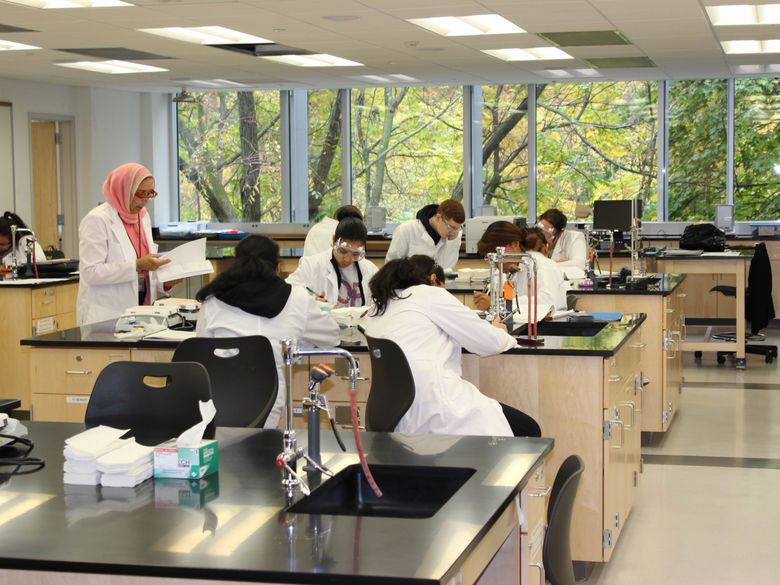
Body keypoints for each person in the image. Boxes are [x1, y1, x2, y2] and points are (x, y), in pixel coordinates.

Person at [364, 257, 541, 437]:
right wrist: (501, 331)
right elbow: (489, 342)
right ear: (433, 279)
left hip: (392, 412)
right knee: (528, 430)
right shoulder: (429, 294)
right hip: (435, 407)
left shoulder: (379, 306)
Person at [195, 234, 340, 429]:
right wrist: (297, 341)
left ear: (236, 264)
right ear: (278, 267)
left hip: (218, 399)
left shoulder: (212, 300)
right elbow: (331, 337)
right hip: (269, 401)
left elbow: (202, 348)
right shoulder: (297, 298)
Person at [76, 163, 179, 325]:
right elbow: (91, 272)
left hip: (142, 311)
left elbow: (146, 268)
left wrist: (165, 283)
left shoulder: (142, 217)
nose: (145, 201)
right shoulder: (97, 220)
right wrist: (136, 265)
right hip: (106, 315)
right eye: (140, 194)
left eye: (149, 194)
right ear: (123, 190)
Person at [473, 221, 568, 315]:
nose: (497, 265)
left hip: (548, 328)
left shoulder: (542, 265)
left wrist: (497, 304)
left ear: (515, 244)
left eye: (499, 256)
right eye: (492, 259)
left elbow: (547, 302)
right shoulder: (514, 270)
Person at [287, 217, 378, 307]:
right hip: (324, 321)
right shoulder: (311, 265)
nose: (347, 259)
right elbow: (288, 293)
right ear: (334, 240)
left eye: (355, 254)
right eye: (342, 251)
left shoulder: (370, 270)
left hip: (359, 321)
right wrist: (310, 302)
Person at [385, 199, 465, 271]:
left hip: (436, 285)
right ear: (438, 218)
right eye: (450, 227)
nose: (453, 232)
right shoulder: (406, 229)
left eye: (457, 229)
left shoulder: (454, 235)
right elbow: (391, 268)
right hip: (408, 285)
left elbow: (446, 269)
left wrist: (452, 242)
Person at [537, 208, 587, 276]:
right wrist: (565, 261)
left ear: (559, 233)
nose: (542, 236)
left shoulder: (575, 237)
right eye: (540, 231)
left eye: (547, 233)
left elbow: (579, 264)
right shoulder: (535, 240)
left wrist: (548, 263)